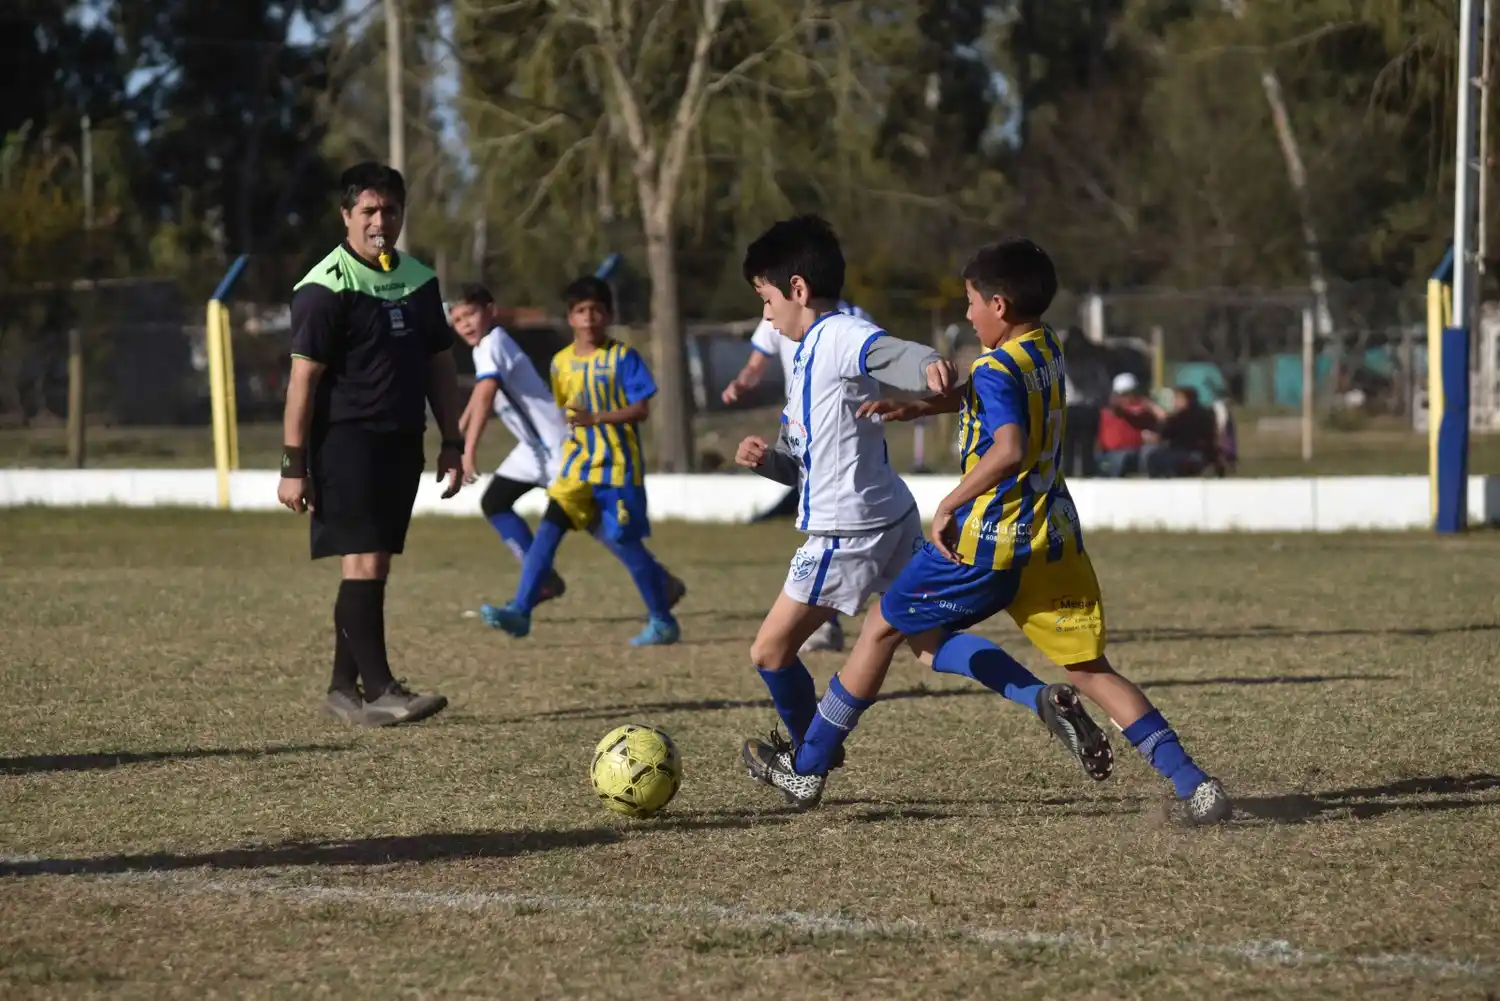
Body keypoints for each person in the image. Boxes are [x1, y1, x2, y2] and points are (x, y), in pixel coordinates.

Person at [740, 238, 1231, 826]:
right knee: (1088, 668)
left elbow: (1009, 445)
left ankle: (808, 765)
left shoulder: (988, 366)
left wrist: (949, 503)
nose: (968, 315)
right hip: (1052, 537)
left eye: (972, 302)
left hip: (988, 540)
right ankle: (1194, 784)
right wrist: (924, 407)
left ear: (998, 305)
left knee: (879, 628)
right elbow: (1001, 394)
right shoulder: (1043, 347)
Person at [731, 214, 956, 780]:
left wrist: (927, 362)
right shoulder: (808, 354)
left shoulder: (837, 334)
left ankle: (811, 759)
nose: (766, 315)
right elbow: (799, 467)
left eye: (766, 300)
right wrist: (768, 462)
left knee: (768, 651)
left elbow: (887, 351)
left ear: (797, 289)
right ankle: (1036, 694)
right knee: (930, 645)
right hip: (891, 514)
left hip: (848, 529)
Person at [278, 161, 462, 727]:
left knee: (371, 565)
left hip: (402, 441)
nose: (381, 221)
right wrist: (293, 464)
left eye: (391, 210)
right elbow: (303, 382)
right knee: (362, 560)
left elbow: (440, 365)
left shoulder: (420, 281)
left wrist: (453, 440)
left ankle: (342, 689)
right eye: (369, 210)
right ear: (347, 215)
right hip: (344, 442)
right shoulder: (325, 286)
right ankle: (381, 689)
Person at [479, 276, 684, 646]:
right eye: (580, 311)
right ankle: (521, 611)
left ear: (608, 315)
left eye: (596, 310)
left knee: (625, 543)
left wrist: (597, 418)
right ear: (570, 318)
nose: (589, 318)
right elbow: (566, 412)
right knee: (548, 530)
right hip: (577, 466)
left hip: (617, 467)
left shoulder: (623, 357)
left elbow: (640, 410)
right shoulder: (560, 363)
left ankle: (662, 620)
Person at [721, 298, 875, 655]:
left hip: (847, 435)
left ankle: (847, 622)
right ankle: (835, 624)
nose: (768, 311)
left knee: (841, 534)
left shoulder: (855, 319)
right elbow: (755, 364)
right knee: (826, 533)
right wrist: (742, 383)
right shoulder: (777, 312)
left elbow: (879, 365)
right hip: (804, 433)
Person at [449, 284, 569, 602]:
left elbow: (487, 394)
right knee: (495, 503)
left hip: (557, 446)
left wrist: (468, 451)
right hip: (533, 449)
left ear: (490, 311)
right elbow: (480, 391)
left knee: (593, 523)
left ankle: (658, 580)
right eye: (457, 320)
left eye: (470, 314)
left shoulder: (495, 341)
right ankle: (542, 580)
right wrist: (456, 433)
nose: (464, 324)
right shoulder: (483, 348)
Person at [1095, 372, 1165, 477]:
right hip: (1113, 454)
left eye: (1130, 394)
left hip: (1135, 452)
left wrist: (1149, 405)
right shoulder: (1108, 412)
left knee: (1151, 452)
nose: (1127, 398)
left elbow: (1162, 419)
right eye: (1123, 395)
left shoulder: (1142, 411)